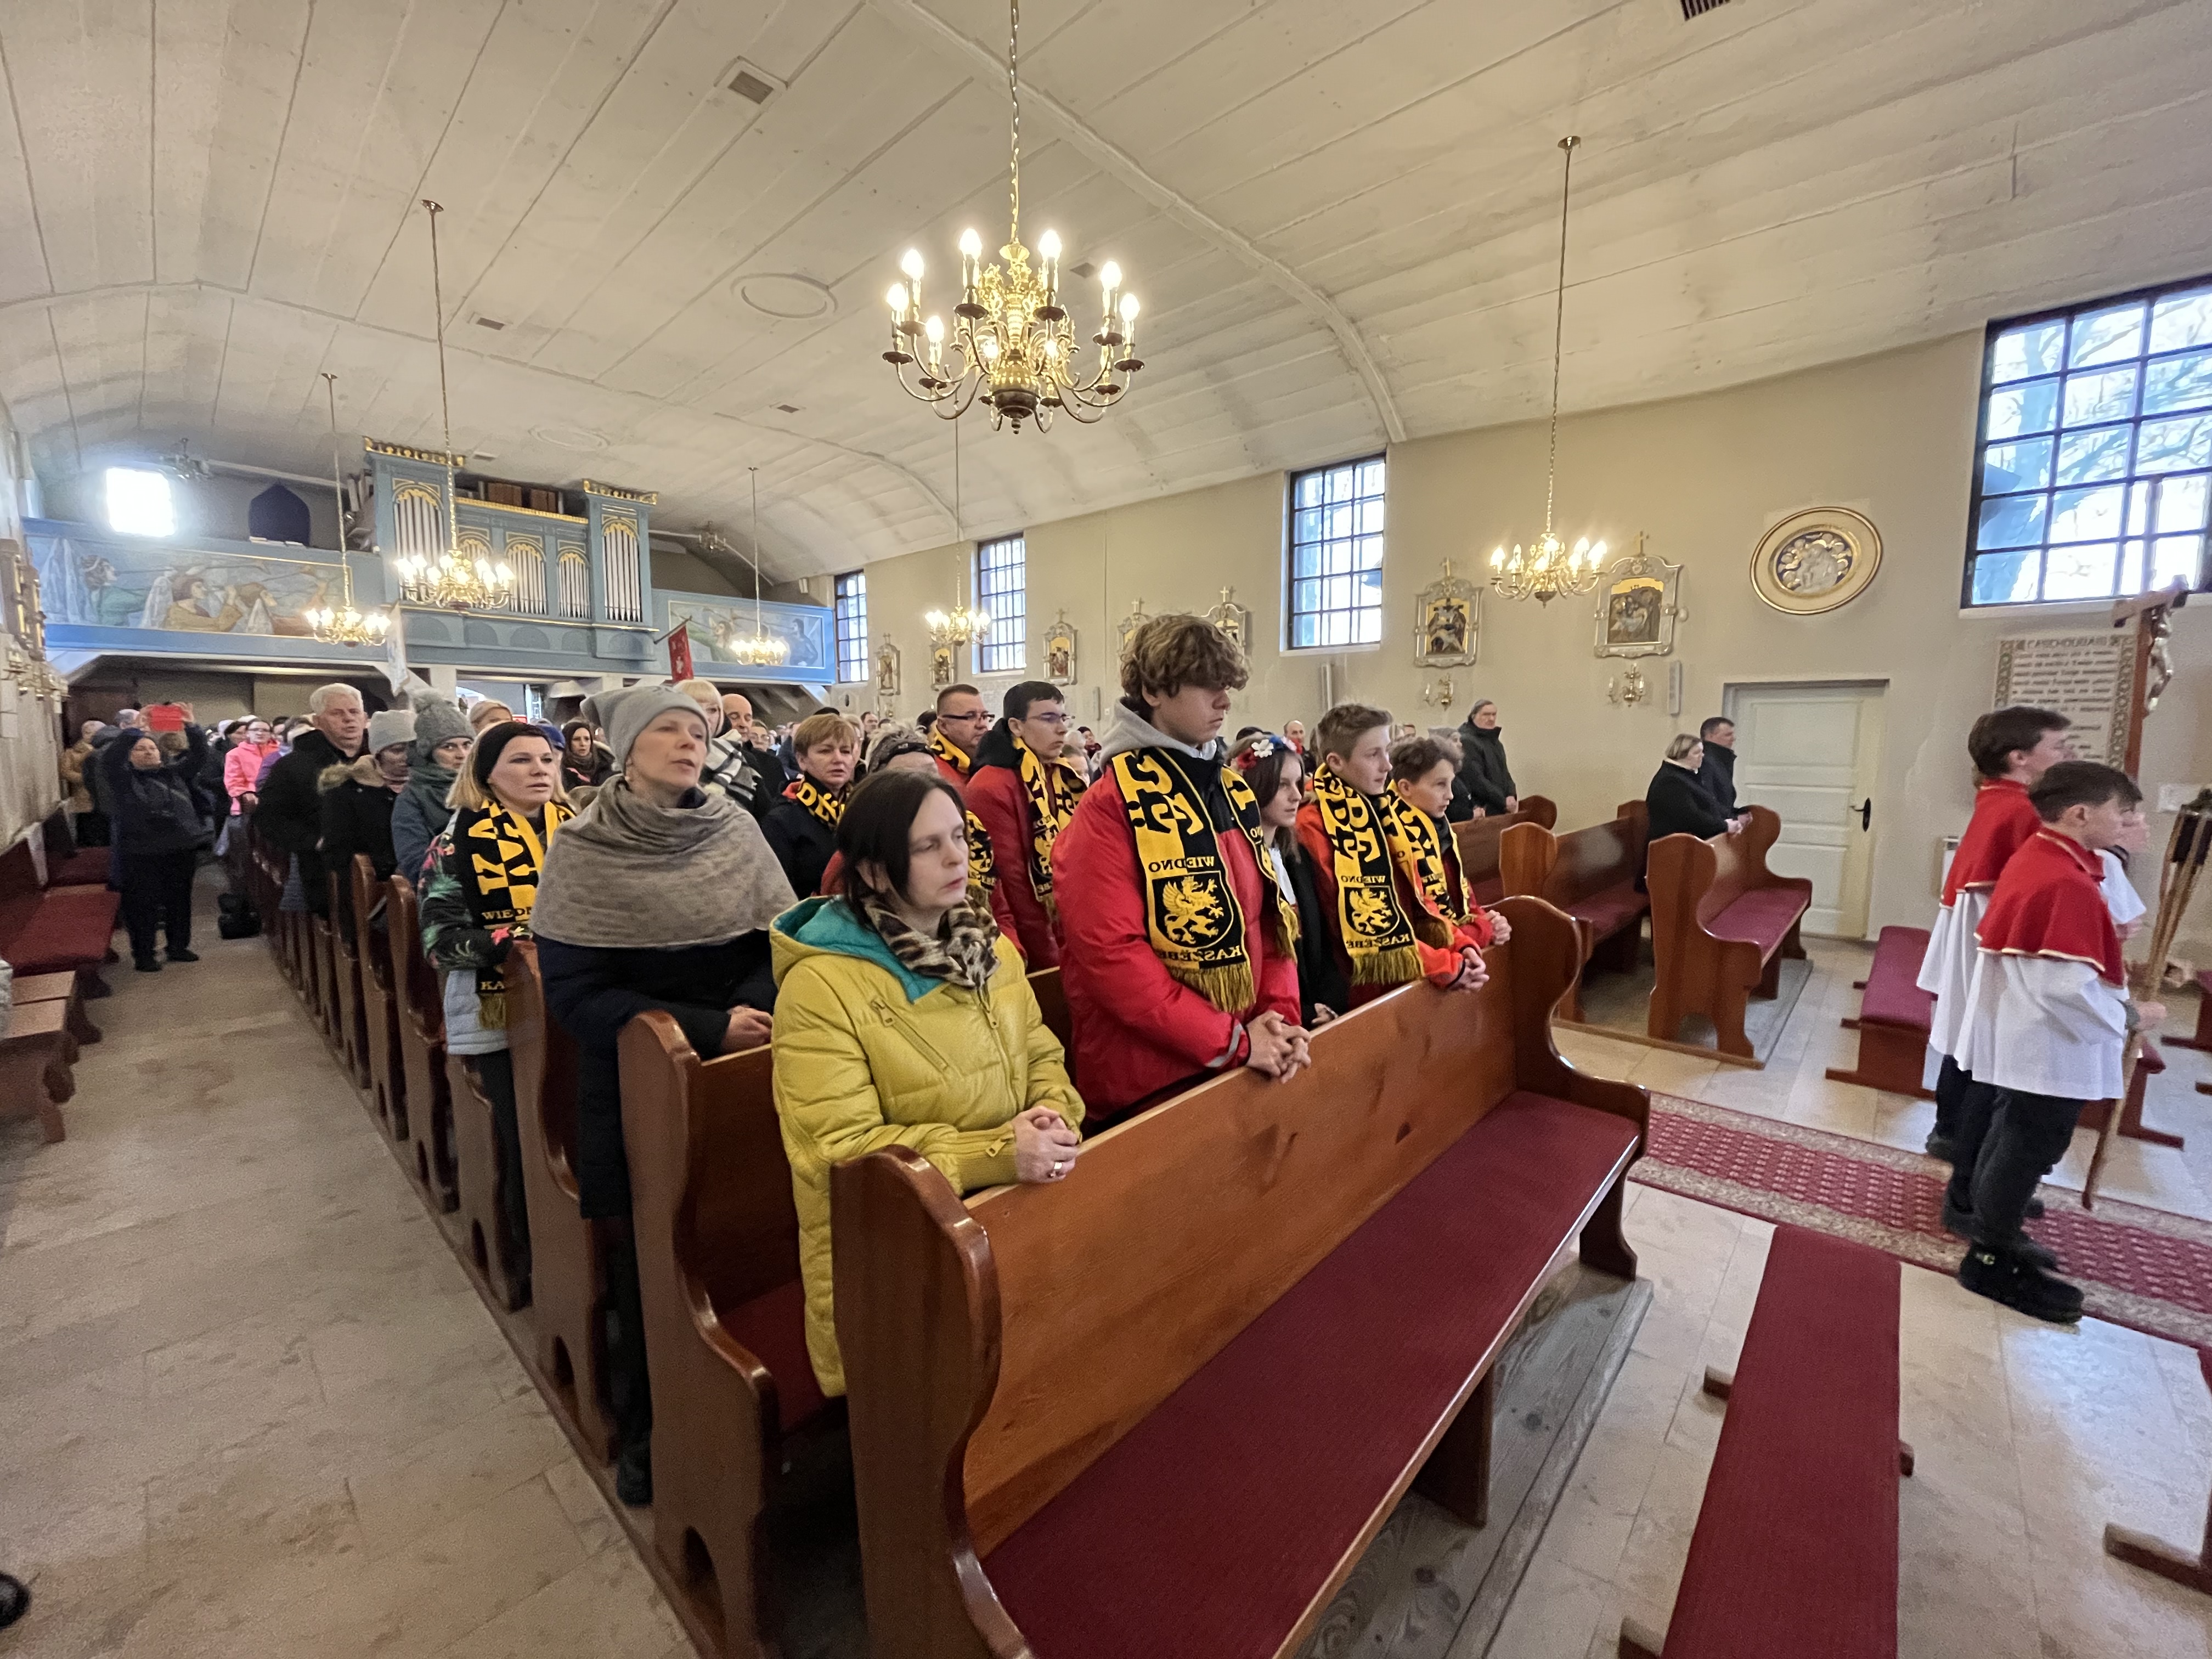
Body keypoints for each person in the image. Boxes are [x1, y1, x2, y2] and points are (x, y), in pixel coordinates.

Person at [533, 683, 795, 1506]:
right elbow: (576, 994)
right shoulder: (584, 847)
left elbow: (777, 941)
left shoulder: (735, 827)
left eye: (698, 732)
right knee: (652, 1258)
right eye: (669, 731)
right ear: (624, 746)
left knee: (746, 1233)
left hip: (748, 1058)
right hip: (637, 1079)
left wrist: (750, 1012)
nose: (690, 744)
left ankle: (761, 1404)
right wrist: (708, 1027)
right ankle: (655, 1426)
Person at [771, 768, 1084, 1396]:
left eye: (959, 837)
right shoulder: (820, 987)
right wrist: (998, 1152)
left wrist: (1054, 1114)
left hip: (1013, 1212)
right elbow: (837, 1152)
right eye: (927, 846)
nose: (956, 857)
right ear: (874, 871)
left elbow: (1040, 1051)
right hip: (898, 1257)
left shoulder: (989, 948)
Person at [1051, 614, 1308, 1130]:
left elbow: (1270, 917)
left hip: (1244, 1047)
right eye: (1207, 685)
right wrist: (1232, 1042)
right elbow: (1113, 956)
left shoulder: (1230, 790)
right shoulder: (1110, 804)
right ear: (1153, 691)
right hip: (1152, 1075)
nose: (1225, 701)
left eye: (1227, 686)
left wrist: (1278, 1020)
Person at [1945, 762, 2163, 1322]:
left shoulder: (2050, 858)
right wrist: (2130, 1015)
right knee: (2028, 1145)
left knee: (2015, 1135)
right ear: (2080, 813)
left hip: (2030, 1032)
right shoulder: (2061, 880)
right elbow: (2062, 987)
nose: (2126, 822)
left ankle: (1998, 1232)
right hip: (2045, 1038)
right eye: (2121, 812)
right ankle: (1991, 1257)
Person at [420, 722, 573, 1302]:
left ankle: (583, 1253)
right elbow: (439, 941)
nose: (540, 770)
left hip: (571, 999)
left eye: (546, 759)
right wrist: (512, 939)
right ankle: (531, 1259)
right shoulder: (456, 842)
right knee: (525, 1137)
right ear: (486, 774)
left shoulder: (576, 829)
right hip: (497, 1006)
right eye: (521, 761)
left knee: (572, 1132)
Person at [1916, 706, 2073, 1160]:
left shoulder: (2001, 797)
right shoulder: (2023, 808)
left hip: (1977, 927)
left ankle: (1950, 1131)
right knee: (1980, 1033)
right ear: (2019, 758)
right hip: (1991, 934)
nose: (2067, 754)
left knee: (1967, 1029)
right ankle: (1962, 1141)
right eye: (2058, 746)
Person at [1295, 707, 1491, 1007]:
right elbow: (1351, 921)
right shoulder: (1314, 823)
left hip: (1410, 968)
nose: (1387, 765)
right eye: (1373, 755)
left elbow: (1420, 897)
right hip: (1358, 985)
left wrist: (1460, 943)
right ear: (1335, 762)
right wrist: (1441, 964)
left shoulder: (1384, 810)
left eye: (1387, 751)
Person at [1229, 731, 1347, 1027]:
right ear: (1252, 786)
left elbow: (1320, 939)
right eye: (1283, 785)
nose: (1297, 795)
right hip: (1272, 1019)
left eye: (1297, 783)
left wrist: (1329, 1001)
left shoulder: (1297, 857)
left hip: (1315, 1007)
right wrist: (1303, 1013)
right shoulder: (1235, 862)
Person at [964, 680, 1085, 968]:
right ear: (1016, 726)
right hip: (1033, 945)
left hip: (1072, 929)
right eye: (1048, 718)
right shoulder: (990, 786)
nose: (1061, 729)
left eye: (1063, 718)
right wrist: (1051, 961)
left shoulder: (1060, 775)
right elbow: (1014, 886)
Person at [100, 714, 211, 970]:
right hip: (141, 851)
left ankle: (178, 947)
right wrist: (133, 732)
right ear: (129, 756)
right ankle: (144, 955)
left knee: (179, 901)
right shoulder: (123, 779)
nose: (148, 752)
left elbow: (199, 756)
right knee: (142, 905)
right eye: (140, 749)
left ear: (160, 754)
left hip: (179, 847)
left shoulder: (175, 774)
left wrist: (192, 728)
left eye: (152, 748)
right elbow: (111, 759)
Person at [1391, 733, 1511, 946]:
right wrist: (1483, 930)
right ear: (1406, 788)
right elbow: (1423, 924)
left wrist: (1487, 920)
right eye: (1440, 785)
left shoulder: (1439, 828)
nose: (1451, 795)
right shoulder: (1395, 837)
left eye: (1451, 784)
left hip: (1457, 936)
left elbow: (1463, 895)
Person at [257, 683, 367, 917]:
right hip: (325, 871)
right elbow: (270, 818)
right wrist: (314, 842)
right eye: (337, 713)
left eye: (354, 712)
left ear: (365, 717)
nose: (348, 719)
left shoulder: (383, 756)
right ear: (318, 722)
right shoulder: (293, 766)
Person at [319, 708, 414, 935]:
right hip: (369, 891)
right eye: (397, 750)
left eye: (414, 748)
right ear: (378, 753)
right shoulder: (347, 790)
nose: (407, 757)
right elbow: (337, 851)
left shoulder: (429, 787)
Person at [761, 711, 860, 899]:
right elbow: (777, 895)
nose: (838, 759)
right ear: (802, 760)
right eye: (825, 751)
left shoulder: (863, 810)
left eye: (845, 751)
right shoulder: (782, 821)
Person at [391, 696, 476, 886]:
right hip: (445, 889)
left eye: (467, 745)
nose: (461, 754)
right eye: (448, 747)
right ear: (429, 753)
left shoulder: (487, 786)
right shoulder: (412, 798)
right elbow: (415, 864)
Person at [1644, 732, 1745, 855]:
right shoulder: (1670, 781)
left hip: (1689, 844)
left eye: (1702, 752)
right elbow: (1691, 817)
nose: (1702, 756)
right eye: (1697, 753)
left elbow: (1709, 802)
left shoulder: (1687, 775)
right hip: (1674, 849)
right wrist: (1724, 826)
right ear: (1682, 754)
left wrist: (1731, 818)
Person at [1453, 699, 1517, 817]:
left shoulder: (1496, 743)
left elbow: (1505, 773)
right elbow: (1476, 780)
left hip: (1499, 806)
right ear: (1473, 716)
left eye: (1494, 714)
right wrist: (1503, 801)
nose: (1491, 719)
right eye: (1486, 715)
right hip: (1482, 808)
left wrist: (1511, 795)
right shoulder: (1467, 741)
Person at [928, 683, 991, 787]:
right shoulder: (932, 771)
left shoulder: (993, 762)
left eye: (984, 716)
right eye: (970, 717)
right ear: (944, 726)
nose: (982, 725)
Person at [222, 719, 281, 820]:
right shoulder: (235, 754)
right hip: (249, 804)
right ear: (247, 733)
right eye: (255, 730)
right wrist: (247, 793)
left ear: (271, 734)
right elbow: (233, 781)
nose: (260, 733)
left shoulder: (279, 752)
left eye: (265, 730)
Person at [60, 720, 103, 845]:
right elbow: (66, 772)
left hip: (105, 797)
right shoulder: (72, 753)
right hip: (84, 796)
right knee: (87, 831)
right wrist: (87, 778)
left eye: (96, 734)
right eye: (88, 733)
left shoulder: (107, 749)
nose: (91, 736)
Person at [1695, 716, 1740, 814]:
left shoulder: (1721, 759)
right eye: (1728, 735)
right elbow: (1708, 800)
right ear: (1710, 736)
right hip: (1714, 820)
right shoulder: (1704, 761)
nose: (1733, 738)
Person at [558, 719, 612, 796]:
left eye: (587, 739)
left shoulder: (607, 765)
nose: (583, 744)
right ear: (567, 742)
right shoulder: (559, 772)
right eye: (576, 739)